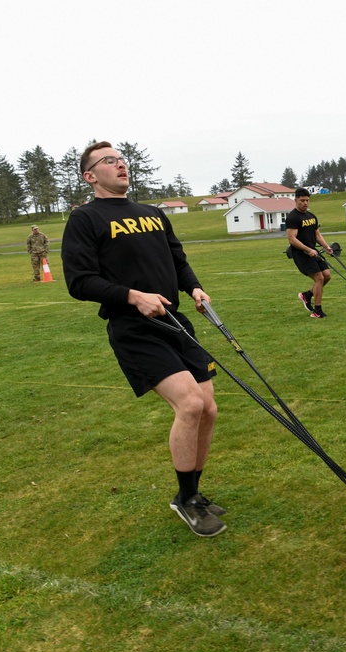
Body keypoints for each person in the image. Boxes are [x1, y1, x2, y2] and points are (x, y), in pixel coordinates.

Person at [61, 141, 226, 538]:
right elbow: (79, 281)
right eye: (108, 161)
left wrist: (195, 288)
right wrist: (133, 296)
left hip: (176, 320)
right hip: (133, 327)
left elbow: (177, 259)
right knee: (188, 403)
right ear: (89, 175)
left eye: (121, 159)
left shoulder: (152, 215)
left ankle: (194, 493)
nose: (119, 164)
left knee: (208, 408)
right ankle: (185, 499)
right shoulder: (85, 219)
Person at [287, 187, 333, 318]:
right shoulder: (293, 217)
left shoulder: (311, 216)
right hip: (301, 254)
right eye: (302, 201)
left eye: (307, 200)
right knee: (319, 278)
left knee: (327, 275)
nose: (305, 203)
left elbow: (317, 234)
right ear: (296, 200)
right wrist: (308, 250)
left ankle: (307, 295)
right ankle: (317, 311)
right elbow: (292, 239)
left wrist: (326, 246)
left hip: (314, 251)